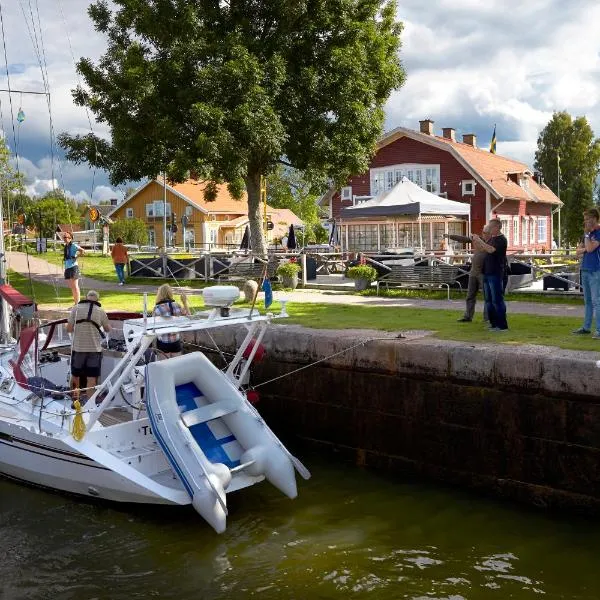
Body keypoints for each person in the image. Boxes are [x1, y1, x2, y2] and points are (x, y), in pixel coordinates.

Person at [66, 290, 111, 404]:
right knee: (92, 377)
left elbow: (69, 329)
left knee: (75, 375)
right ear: (97, 300)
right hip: (94, 350)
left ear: (86, 298)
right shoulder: (101, 311)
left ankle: (75, 400)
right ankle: (90, 403)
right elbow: (107, 329)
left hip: (78, 348)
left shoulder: (76, 309)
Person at [445, 225, 491, 323]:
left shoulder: (492, 243)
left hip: (484, 273)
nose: (484, 234)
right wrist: (450, 236)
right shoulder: (478, 240)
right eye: (483, 232)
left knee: (487, 297)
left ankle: (487, 318)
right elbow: (464, 239)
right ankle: (468, 316)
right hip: (473, 272)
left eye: (486, 233)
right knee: (470, 296)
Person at [472, 218, 508, 331]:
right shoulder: (491, 239)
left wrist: (480, 240)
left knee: (497, 300)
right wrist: (476, 240)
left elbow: (491, 250)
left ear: (497, 227)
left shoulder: (501, 240)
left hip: (495, 273)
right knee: (488, 300)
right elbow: (483, 248)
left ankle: (502, 325)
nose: (489, 230)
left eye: (491, 227)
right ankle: (493, 324)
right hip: (486, 273)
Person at [573, 208, 600, 337]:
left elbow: (589, 249)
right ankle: (586, 327)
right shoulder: (587, 233)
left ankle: (599, 330)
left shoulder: (597, 232)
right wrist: (585, 245)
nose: (586, 222)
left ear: (595, 218)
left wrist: (587, 237)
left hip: (596, 270)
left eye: (588, 219)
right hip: (585, 269)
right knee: (588, 301)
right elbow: (577, 251)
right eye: (585, 220)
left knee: (596, 301)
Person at [153, 284, 189, 356]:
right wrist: (184, 302)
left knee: (164, 365)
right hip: (175, 341)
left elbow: (153, 326)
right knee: (176, 364)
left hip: (162, 341)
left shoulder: (157, 308)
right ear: (170, 293)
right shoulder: (176, 305)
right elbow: (188, 316)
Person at [63, 231, 84, 304]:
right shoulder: (66, 246)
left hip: (73, 267)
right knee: (72, 287)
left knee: (75, 286)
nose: (65, 239)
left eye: (66, 237)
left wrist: (76, 257)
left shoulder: (73, 245)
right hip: (67, 267)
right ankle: (76, 303)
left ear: (70, 238)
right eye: (64, 237)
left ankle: (77, 304)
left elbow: (82, 251)